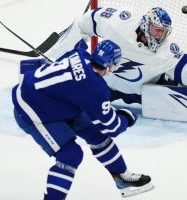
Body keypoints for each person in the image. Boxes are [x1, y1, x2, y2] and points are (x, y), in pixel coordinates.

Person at [12, 39, 154, 200]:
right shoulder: (95, 88)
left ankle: (122, 178)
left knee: (98, 135)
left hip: (54, 101)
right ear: (110, 66)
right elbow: (112, 127)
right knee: (71, 154)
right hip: (31, 108)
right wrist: (127, 117)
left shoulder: (78, 53)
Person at [46, 7, 187, 104]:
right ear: (146, 25)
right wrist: (76, 52)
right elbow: (87, 22)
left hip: (141, 93)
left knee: (176, 86)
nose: (161, 35)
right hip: (105, 86)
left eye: (164, 31)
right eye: (158, 29)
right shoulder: (120, 23)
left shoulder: (167, 50)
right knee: (74, 101)